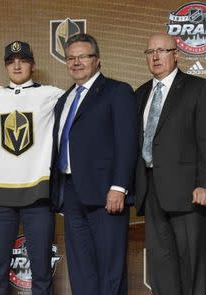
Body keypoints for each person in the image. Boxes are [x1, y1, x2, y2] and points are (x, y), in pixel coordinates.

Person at [49, 33, 138, 295]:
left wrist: (119, 187)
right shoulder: (64, 100)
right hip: (71, 193)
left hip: (106, 194)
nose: (76, 62)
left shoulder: (117, 91)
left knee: (110, 270)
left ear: (97, 60)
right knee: (81, 269)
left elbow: (127, 142)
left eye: (83, 57)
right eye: (71, 58)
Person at [134, 33, 206, 295]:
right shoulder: (140, 94)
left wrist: (205, 184)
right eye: (150, 52)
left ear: (177, 54)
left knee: (191, 266)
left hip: (188, 193)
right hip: (150, 191)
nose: (156, 57)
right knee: (161, 268)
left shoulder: (199, 88)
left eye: (162, 50)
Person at [0, 41, 63, 295]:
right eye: (11, 61)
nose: (17, 65)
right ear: (6, 65)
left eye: (23, 60)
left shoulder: (52, 94)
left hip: (37, 194)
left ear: (33, 64)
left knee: (41, 271)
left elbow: (86, 98)